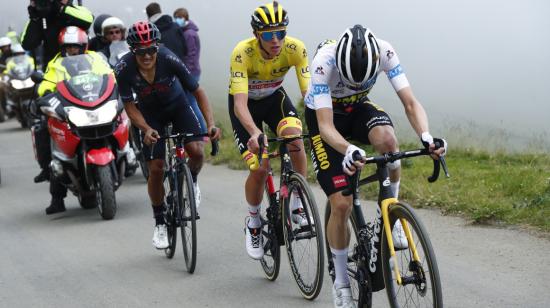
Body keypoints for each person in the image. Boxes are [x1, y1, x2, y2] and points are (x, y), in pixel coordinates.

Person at [304, 25, 447, 307]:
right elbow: (324, 125)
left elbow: (410, 103)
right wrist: (348, 149)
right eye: (350, 80)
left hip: (358, 109)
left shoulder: (385, 51)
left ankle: (391, 209)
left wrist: (426, 136)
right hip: (325, 117)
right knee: (341, 204)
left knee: (388, 142)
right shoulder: (324, 62)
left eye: (363, 81)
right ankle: (342, 281)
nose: (356, 85)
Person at [115, 21, 220, 250]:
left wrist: (210, 124)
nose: (146, 56)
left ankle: (191, 181)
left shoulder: (168, 58)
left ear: (157, 46)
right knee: (156, 168)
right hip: (150, 116)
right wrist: (145, 129)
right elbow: (129, 105)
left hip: (178, 106)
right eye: (140, 51)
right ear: (133, 50)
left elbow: (197, 91)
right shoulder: (123, 68)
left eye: (151, 49)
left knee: (196, 151)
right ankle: (160, 221)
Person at [228, 1, 311, 260]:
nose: (276, 40)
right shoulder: (242, 53)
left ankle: (297, 202)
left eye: (281, 33)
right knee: (260, 168)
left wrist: (322, 124)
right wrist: (254, 132)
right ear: (257, 35)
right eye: (268, 35)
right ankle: (253, 221)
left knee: (295, 140)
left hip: (275, 99)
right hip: (246, 107)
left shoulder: (296, 48)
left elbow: (308, 95)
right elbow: (240, 105)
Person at [36, 26, 112, 214]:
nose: (72, 50)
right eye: (69, 47)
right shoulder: (56, 63)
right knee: (52, 138)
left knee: (121, 117)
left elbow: (109, 76)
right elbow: (46, 83)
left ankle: (130, 153)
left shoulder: (95, 58)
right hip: (69, 110)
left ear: (83, 46)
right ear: (63, 47)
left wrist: (115, 85)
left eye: (76, 47)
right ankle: (56, 197)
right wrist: (44, 92)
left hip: (94, 104)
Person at [21, 0, 93, 183]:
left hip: (84, 72)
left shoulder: (74, 11)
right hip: (54, 75)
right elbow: (27, 43)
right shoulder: (42, 17)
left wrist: (62, 7)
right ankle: (53, 183)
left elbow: (88, 19)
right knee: (47, 122)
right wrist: (35, 16)